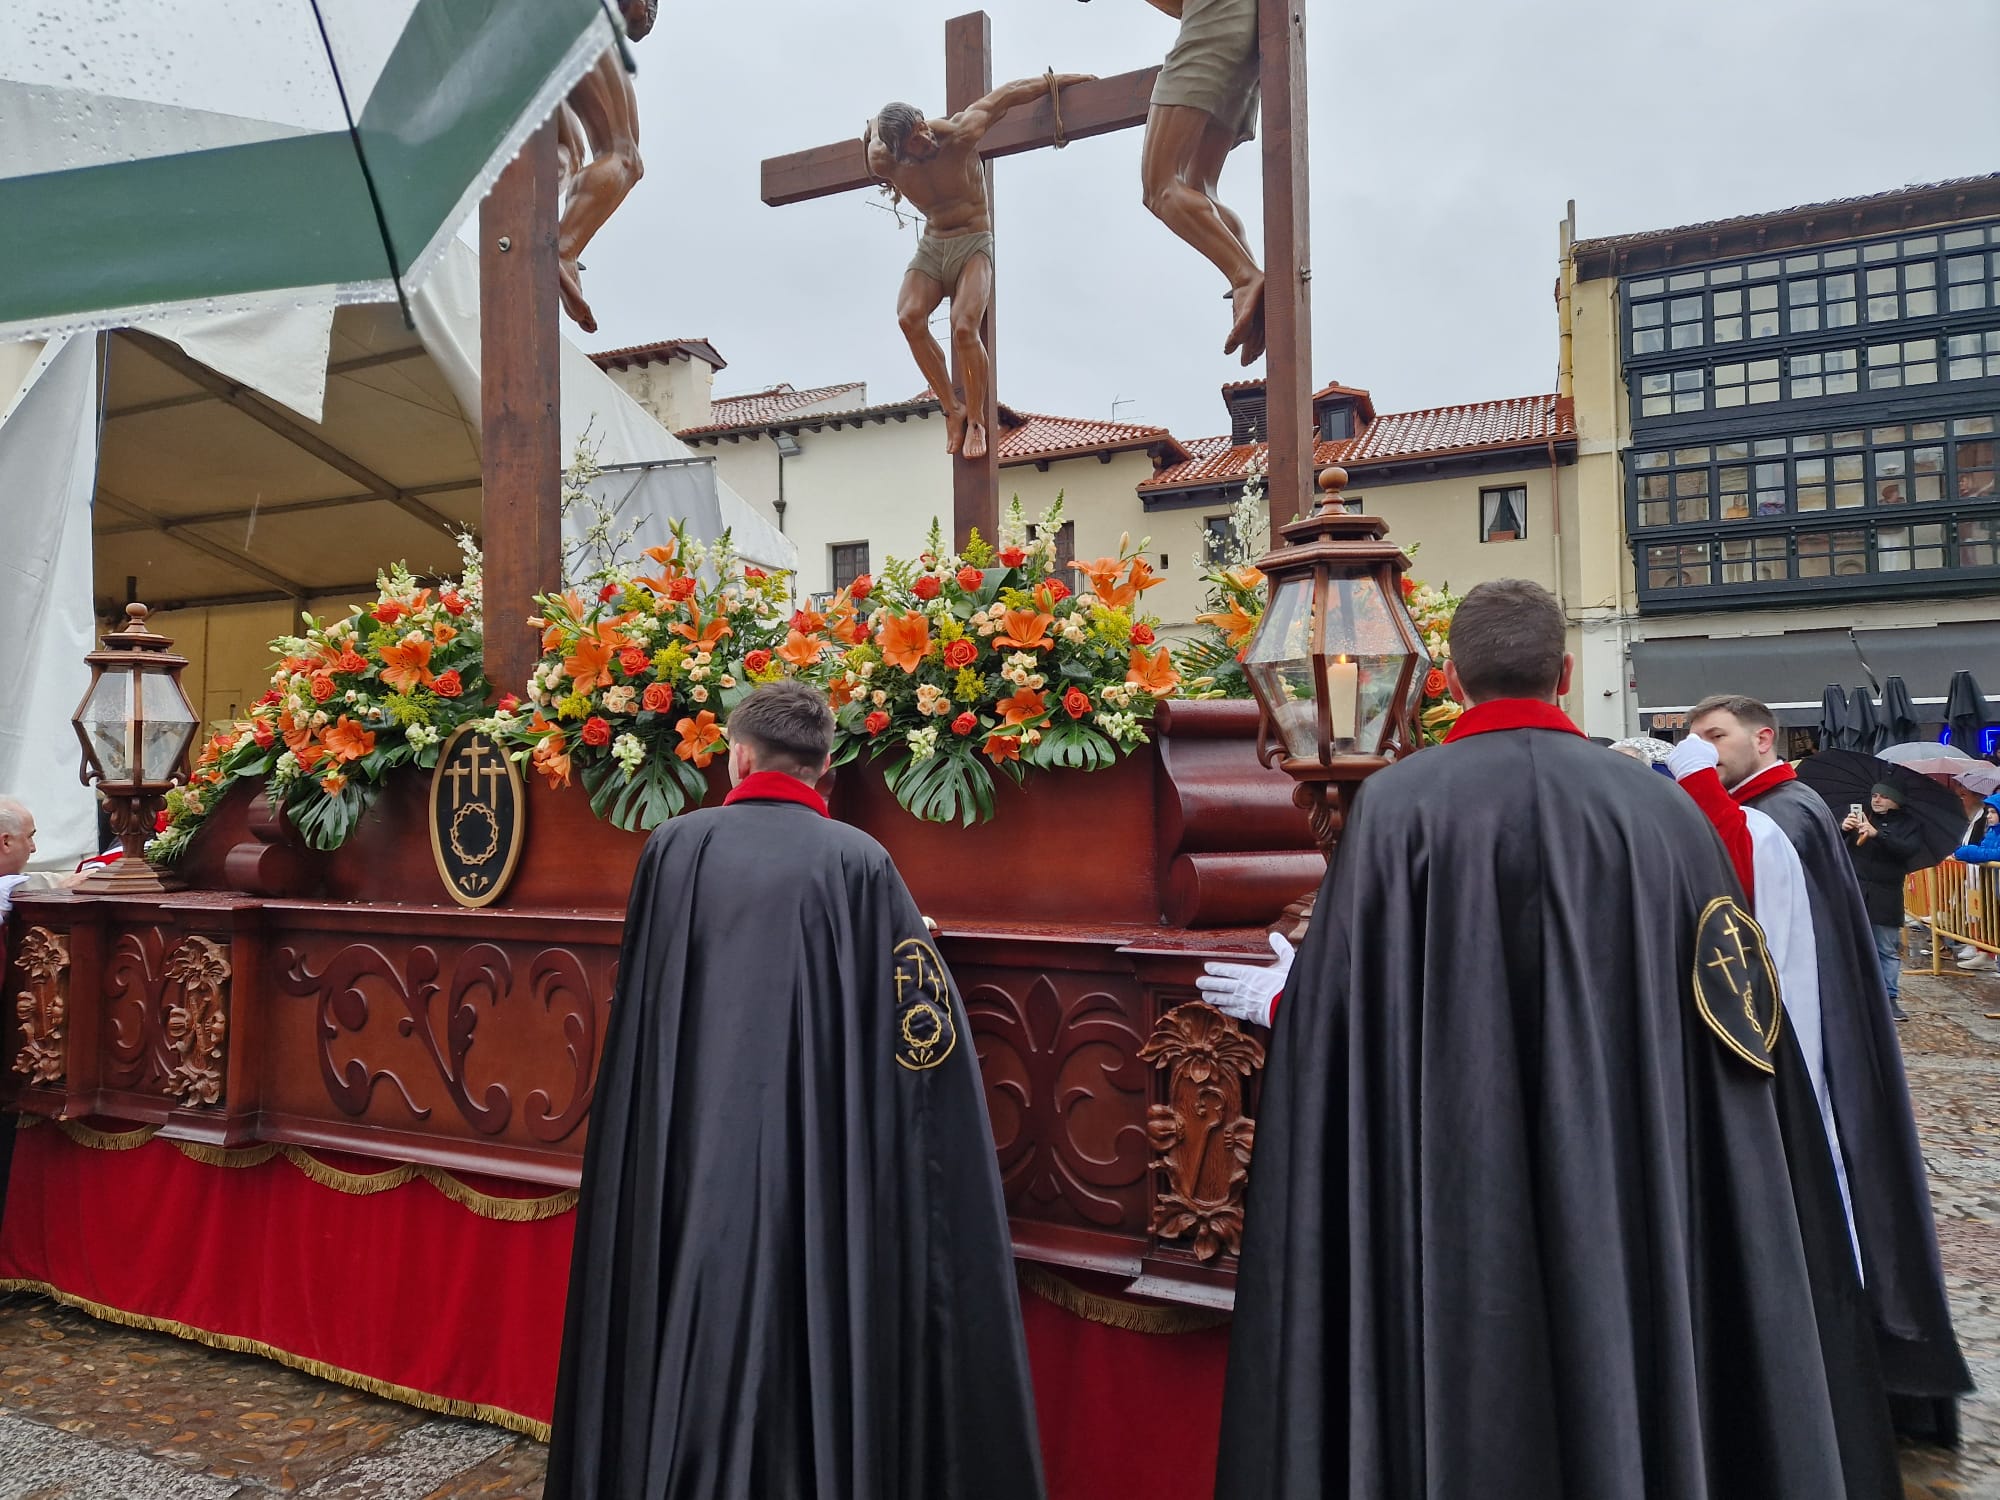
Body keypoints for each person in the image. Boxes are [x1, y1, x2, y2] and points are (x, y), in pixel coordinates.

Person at [1214, 580, 1888, 1500]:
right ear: (1566, 673)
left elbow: (1338, 1021)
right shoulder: (1664, 816)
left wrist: (1278, 1007)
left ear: (1449, 679)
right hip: (1628, 1174)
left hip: (1446, 1183)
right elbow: (1736, 1022)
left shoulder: (1394, 812)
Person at [544, 682, 1043, 1500]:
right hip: (813, 1164)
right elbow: (920, 1023)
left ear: (736, 756)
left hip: (692, 1152)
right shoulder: (860, 861)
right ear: (827, 769)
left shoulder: (673, 848)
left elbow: (645, 1015)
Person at [1688, 694, 1972, 1441]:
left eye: (1716, 735)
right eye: (1696, 738)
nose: (1707, 748)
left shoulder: (1779, 811)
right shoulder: (1789, 805)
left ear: (1760, 734)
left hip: (1804, 1043)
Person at [865, 73, 1094, 460]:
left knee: (964, 326)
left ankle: (977, 421)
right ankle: (952, 410)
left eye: (922, 130)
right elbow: (872, 130)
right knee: (908, 317)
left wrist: (1063, 82)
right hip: (934, 244)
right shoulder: (884, 160)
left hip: (973, 242)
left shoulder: (959, 133)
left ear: (923, 118)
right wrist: (874, 124)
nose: (925, 142)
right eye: (914, 144)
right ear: (898, 152)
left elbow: (1007, 95)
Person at [1139, 0, 1265, 365]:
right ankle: (1253, 286)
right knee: (1199, 187)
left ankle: (1244, 277)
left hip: (1214, 23)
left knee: (1160, 186)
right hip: (1246, 38)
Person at [553, 0, 657, 333]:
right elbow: (637, 18)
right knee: (625, 157)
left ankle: (555, 240)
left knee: (570, 151)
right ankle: (561, 250)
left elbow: (637, 25)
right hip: (573, 19)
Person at [1840, 783, 1923, 1017]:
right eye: (1875, 795)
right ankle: (1853, 995)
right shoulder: (1861, 816)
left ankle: (1889, 997)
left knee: (1885, 948)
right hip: (1855, 890)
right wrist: (1844, 830)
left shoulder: (1908, 824)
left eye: (1884, 796)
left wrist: (1879, 835)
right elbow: (1835, 846)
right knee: (1852, 945)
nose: (1877, 800)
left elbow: (1908, 849)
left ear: (1896, 801)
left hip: (1885, 894)